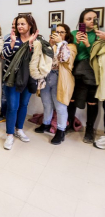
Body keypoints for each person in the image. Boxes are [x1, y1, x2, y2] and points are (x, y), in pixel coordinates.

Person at [2, 14, 40, 150]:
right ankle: (10, 135)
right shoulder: (11, 38)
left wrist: (32, 44)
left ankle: (19, 130)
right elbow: (4, 55)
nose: (19, 26)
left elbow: (39, 59)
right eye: (18, 24)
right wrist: (12, 43)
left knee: (24, 105)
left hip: (28, 78)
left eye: (23, 24)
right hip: (12, 78)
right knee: (13, 106)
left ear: (30, 25)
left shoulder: (37, 40)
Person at [35, 24, 77, 145]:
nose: (58, 34)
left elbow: (64, 58)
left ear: (67, 34)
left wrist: (60, 43)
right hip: (47, 77)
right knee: (46, 103)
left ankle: (61, 130)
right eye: (56, 31)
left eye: (61, 32)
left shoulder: (71, 46)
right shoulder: (52, 46)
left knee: (60, 106)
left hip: (61, 79)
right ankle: (46, 123)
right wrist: (50, 44)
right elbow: (42, 59)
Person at [67, 9, 100, 144]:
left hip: (92, 72)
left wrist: (87, 44)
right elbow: (68, 53)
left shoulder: (99, 35)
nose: (92, 21)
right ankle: (70, 124)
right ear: (82, 21)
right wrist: (76, 44)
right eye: (88, 19)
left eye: (94, 18)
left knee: (92, 102)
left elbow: (97, 56)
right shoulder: (74, 34)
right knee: (72, 100)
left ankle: (90, 130)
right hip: (75, 72)